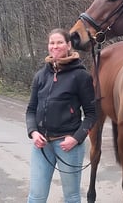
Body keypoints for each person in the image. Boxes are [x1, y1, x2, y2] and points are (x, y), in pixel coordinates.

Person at [25, 28, 97, 203]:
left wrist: (76, 138)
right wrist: (33, 132)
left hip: (68, 145)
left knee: (71, 197)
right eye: (52, 43)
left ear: (68, 45)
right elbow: (31, 110)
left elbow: (91, 114)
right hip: (42, 145)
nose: (55, 46)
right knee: (36, 196)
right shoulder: (40, 76)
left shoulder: (80, 76)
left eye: (59, 42)